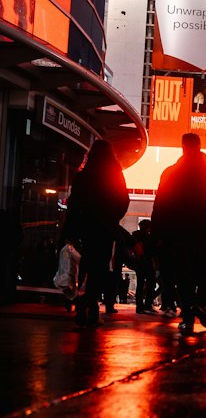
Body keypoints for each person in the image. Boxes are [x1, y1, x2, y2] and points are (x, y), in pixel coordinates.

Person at [150, 132, 206, 333]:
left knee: (183, 274)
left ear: (183, 147)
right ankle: (201, 302)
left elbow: (160, 205)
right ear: (199, 147)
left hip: (179, 231)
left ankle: (188, 317)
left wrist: (157, 234)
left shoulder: (171, 172)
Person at [62, 139, 130, 325]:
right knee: (100, 266)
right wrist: (112, 217)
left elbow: (74, 204)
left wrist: (71, 228)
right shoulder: (115, 175)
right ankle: (91, 302)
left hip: (85, 227)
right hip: (105, 228)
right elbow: (124, 200)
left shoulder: (83, 175)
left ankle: (81, 301)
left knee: (83, 264)